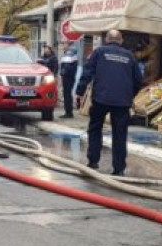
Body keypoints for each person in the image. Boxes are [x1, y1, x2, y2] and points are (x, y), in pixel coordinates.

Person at [75, 30, 143, 175]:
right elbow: (138, 80)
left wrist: (79, 92)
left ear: (106, 39)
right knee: (119, 135)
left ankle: (93, 161)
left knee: (95, 129)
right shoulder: (129, 56)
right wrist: (129, 95)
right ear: (121, 40)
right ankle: (119, 169)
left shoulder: (99, 52)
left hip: (101, 98)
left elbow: (87, 72)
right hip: (122, 102)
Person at [59, 48, 79, 118]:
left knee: (67, 95)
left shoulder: (68, 56)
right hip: (70, 77)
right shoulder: (73, 56)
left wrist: (62, 74)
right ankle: (68, 112)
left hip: (67, 78)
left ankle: (68, 112)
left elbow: (66, 68)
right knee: (68, 94)